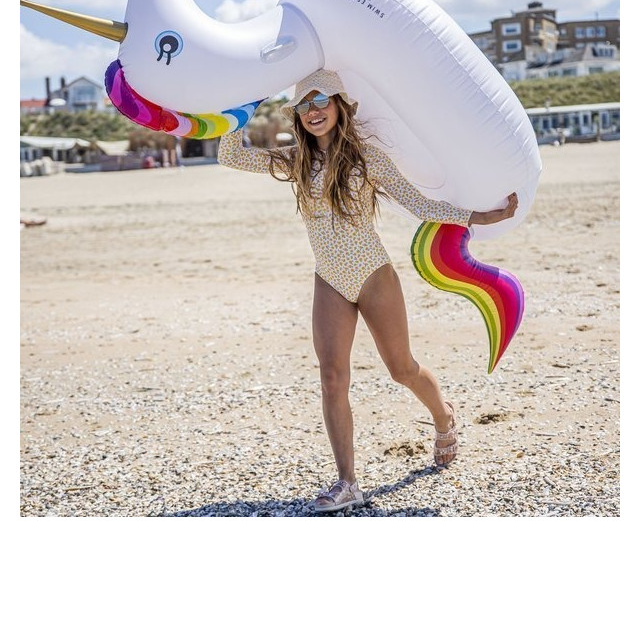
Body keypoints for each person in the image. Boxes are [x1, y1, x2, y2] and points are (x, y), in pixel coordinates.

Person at [218, 70, 518, 513]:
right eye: (304, 105)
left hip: (374, 275)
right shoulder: (295, 161)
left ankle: (443, 415)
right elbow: (228, 154)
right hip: (329, 279)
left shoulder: (367, 159)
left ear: (340, 105)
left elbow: (421, 205)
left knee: (402, 368)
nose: (313, 111)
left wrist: (482, 217)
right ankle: (347, 483)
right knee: (332, 378)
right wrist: (250, 98)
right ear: (297, 116)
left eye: (321, 101)